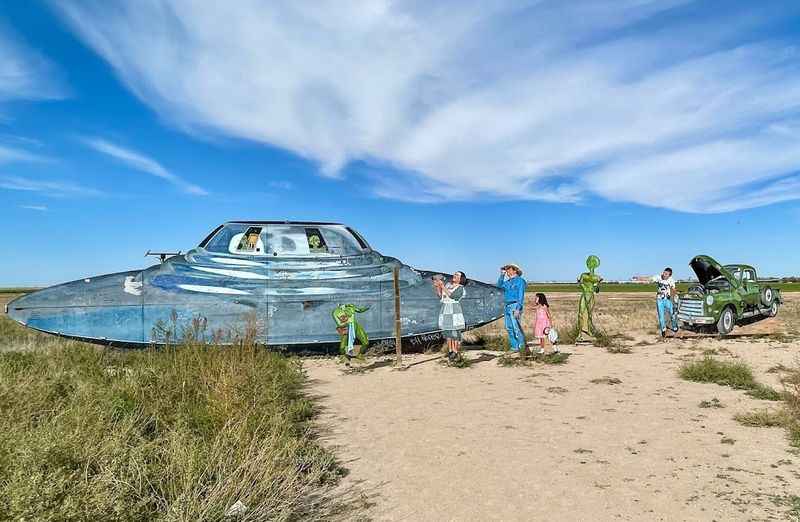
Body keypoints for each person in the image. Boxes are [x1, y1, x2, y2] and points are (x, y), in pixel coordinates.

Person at [434, 271, 467, 361]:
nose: (454, 276)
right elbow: (441, 296)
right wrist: (438, 287)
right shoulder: (448, 285)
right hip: (445, 309)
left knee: (455, 332)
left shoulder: (460, 288)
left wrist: (442, 286)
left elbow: (453, 296)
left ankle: (455, 351)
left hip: (454, 310)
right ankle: (450, 351)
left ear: (461, 279)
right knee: (448, 331)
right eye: (455, 274)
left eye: (457, 275)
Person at [497, 264, 526, 353]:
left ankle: (522, 347)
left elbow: (521, 295)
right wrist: (502, 275)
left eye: (508, 269)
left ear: (515, 270)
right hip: (507, 306)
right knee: (509, 327)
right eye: (506, 270)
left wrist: (518, 308)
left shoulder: (520, 281)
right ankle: (514, 347)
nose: (507, 271)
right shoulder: (507, 282)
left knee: (516, 327)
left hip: (515, 305)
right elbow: (499, 286)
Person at [649, 267, 679, 339]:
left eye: (666, 274)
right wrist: (647, 279)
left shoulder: (671, 280)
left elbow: (673, 289)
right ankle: (663, 330)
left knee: (672, 313)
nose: (664, 275)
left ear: (669, 275)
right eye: (664, 273)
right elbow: (651, 279)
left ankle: (674, 327)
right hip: (659, 300)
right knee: (661, 316)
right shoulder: (658, 277)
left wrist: (676, 294)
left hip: (667, 300)